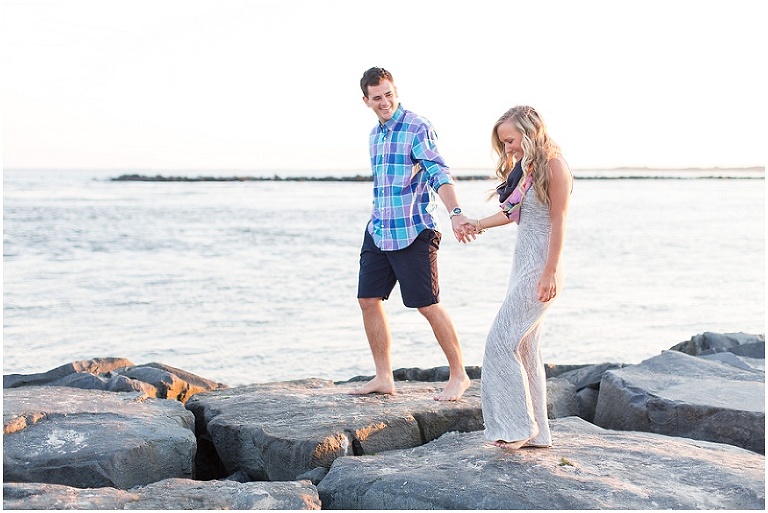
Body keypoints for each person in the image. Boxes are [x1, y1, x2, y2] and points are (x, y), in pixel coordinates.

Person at [351, 66, 473, 401]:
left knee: (427, 304)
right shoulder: (375, 135)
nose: (384, 102)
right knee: (367, 300)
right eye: (377, 97)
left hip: (414, 228)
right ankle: (383, 377)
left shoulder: (417, 127)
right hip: (379, 229)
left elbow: (438, 172)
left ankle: (459, 375)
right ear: (366, 101)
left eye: (389, 94)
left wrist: (456, 213)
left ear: (396, 92)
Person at [463, 105, 572, 448]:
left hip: (541, 268)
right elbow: (512, 213)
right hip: (522, 266)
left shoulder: (554, 166)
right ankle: (538, 433)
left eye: (510, 140)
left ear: (529, 131)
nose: (507, 148)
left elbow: (559, 222)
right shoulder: (529, 169)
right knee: (525, 348)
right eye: (504, 143)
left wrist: (549, 272)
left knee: (499, 342)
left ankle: (518, 428)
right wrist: (476, 224)